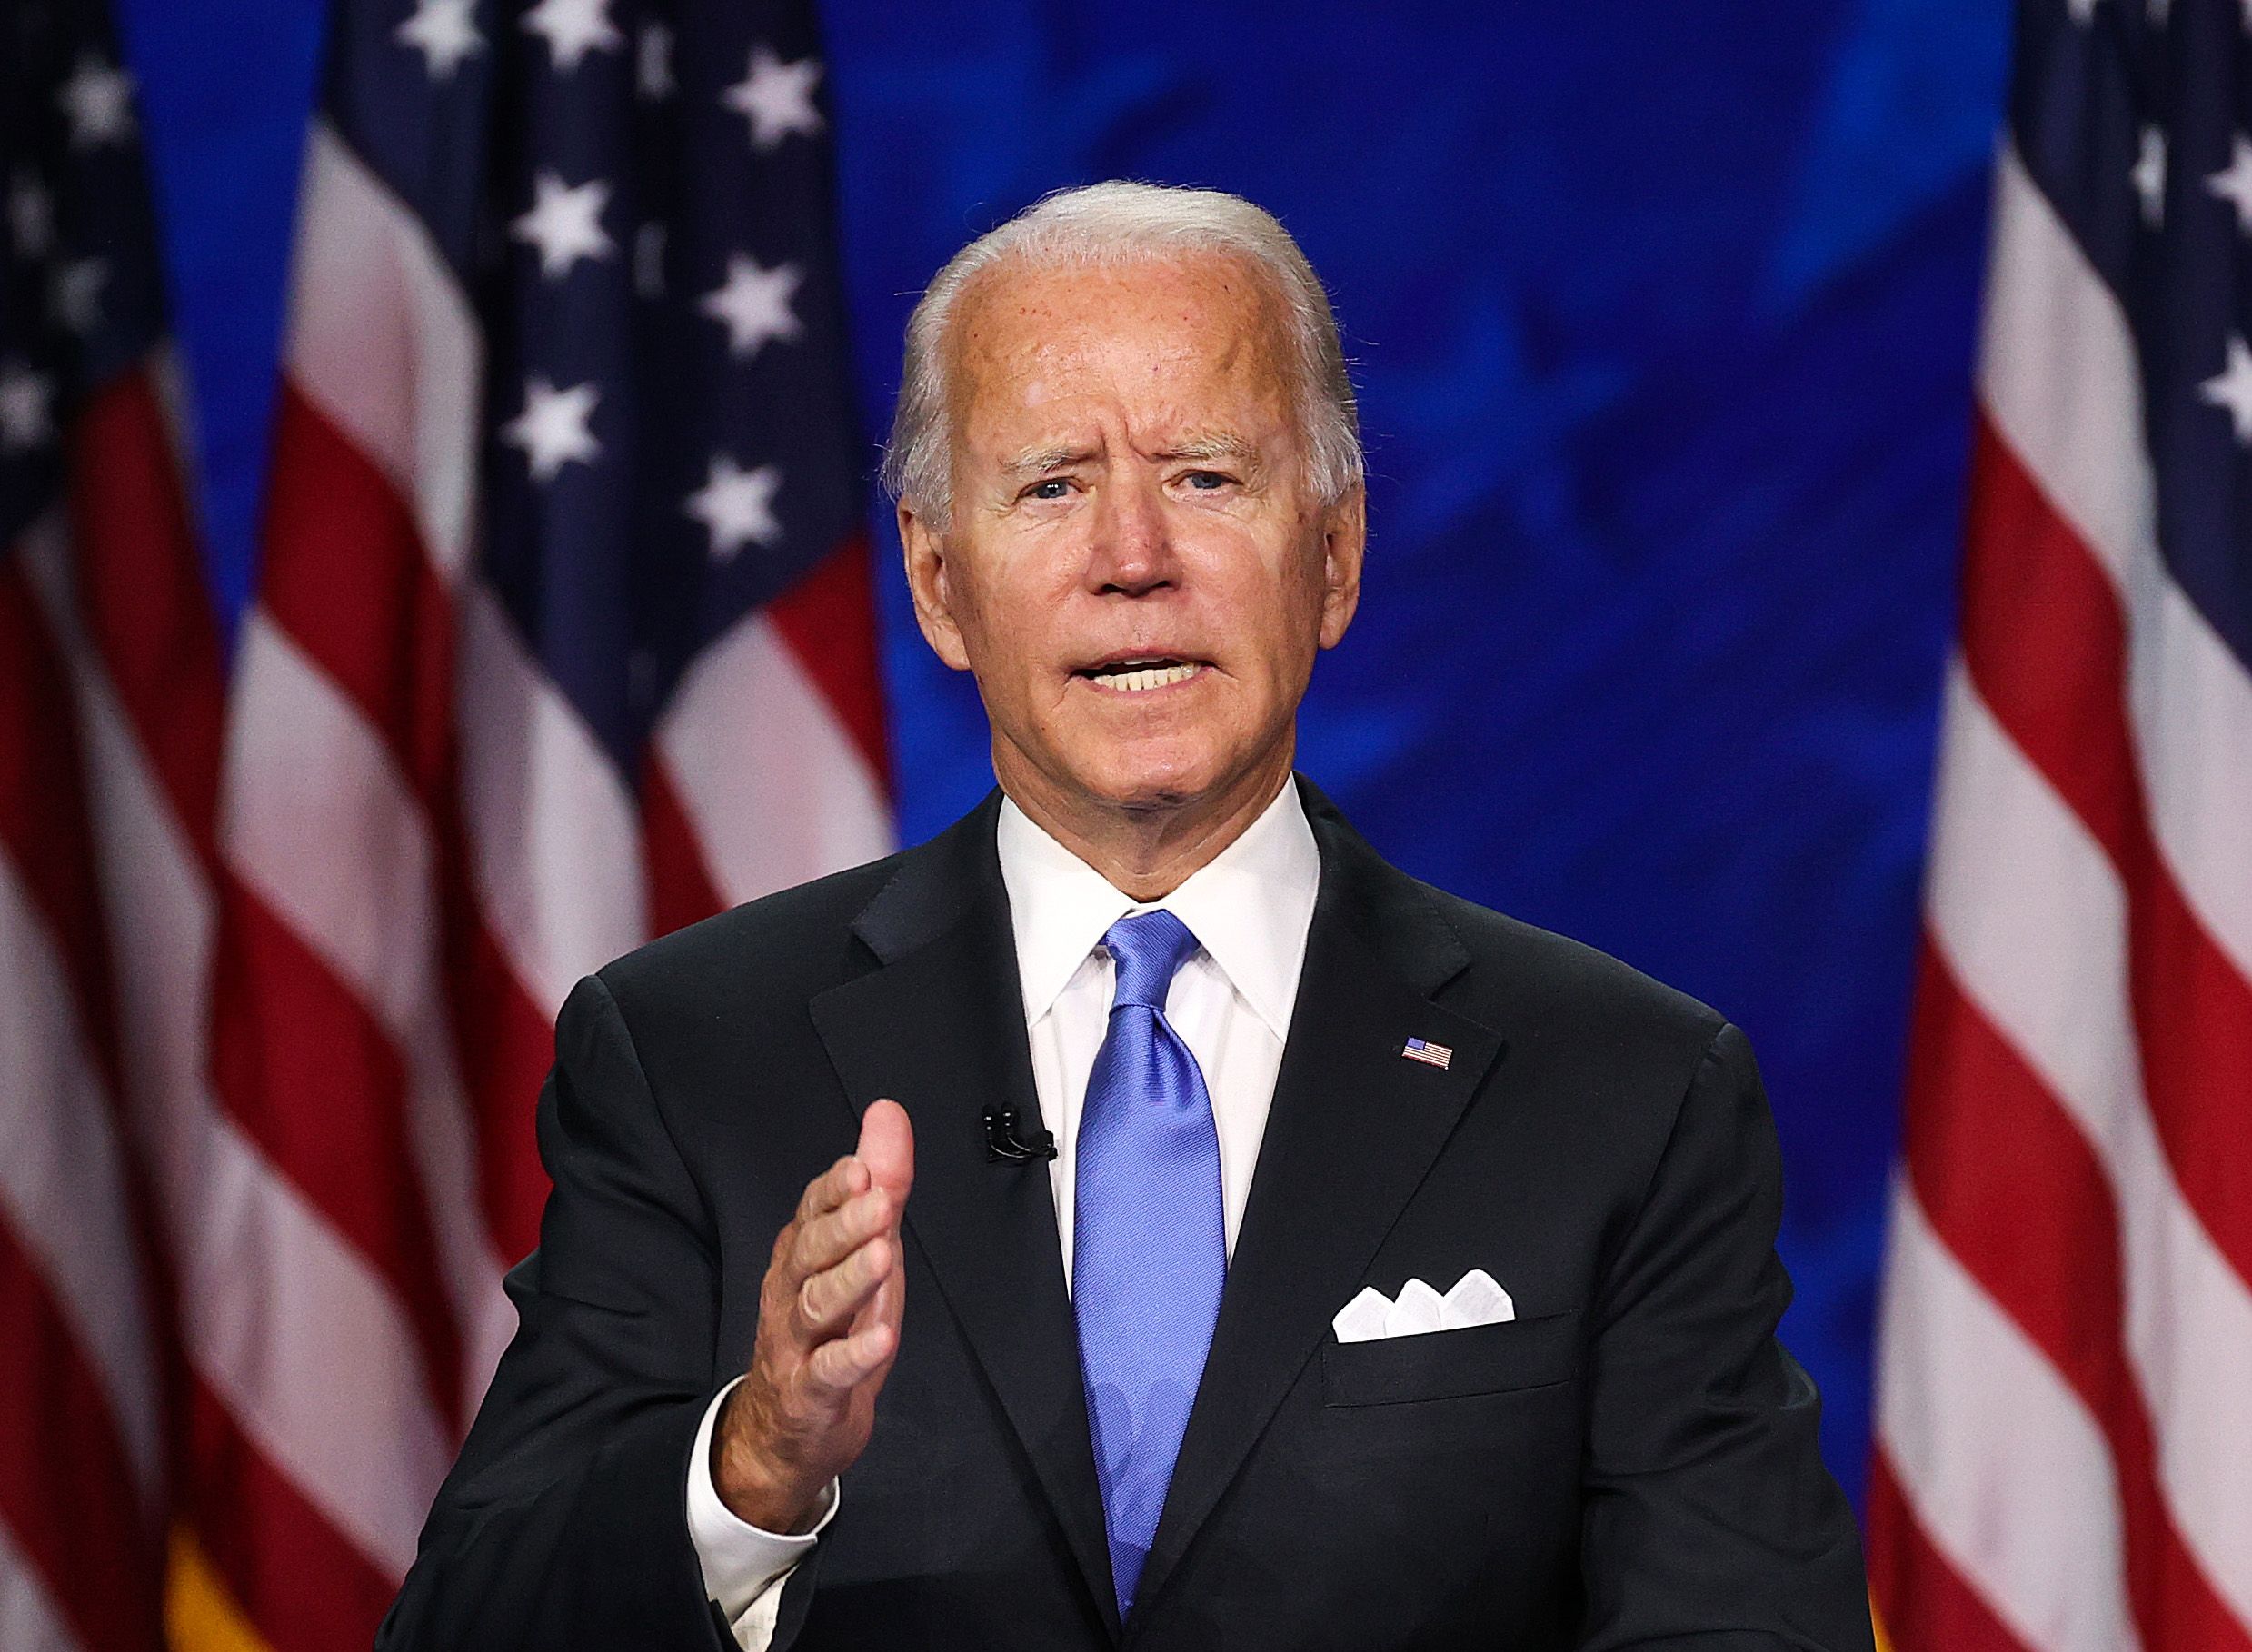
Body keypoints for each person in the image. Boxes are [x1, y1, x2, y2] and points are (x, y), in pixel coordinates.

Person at [378, 182, 1874, 1652]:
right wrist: (753, 1466)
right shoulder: (695, 1053)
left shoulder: (1619, 1089)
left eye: (1206, 475)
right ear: (936, 580)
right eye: (1051, 485)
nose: (1131, 557)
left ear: (1335, 554)